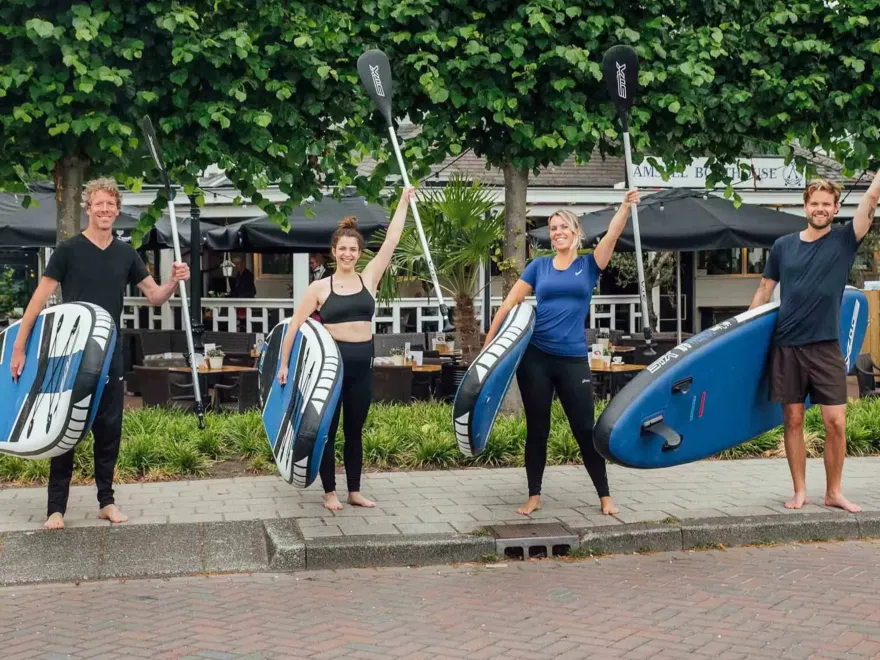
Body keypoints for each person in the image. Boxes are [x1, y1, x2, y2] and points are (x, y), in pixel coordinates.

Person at [10, 177, 190, 530]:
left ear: (117, 210)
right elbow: (39, 297)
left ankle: (106, 501)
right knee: (64, 427)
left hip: (109, 351)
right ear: (88, 208)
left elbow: (154, 296)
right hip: (70, 351)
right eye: (99, 204)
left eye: (111, 205)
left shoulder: (126, 253)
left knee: (109, 427)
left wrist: (173, 281)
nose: (105, 210)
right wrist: (20, 345)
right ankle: (55, 508)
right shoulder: (68, 250)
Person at [484, 188, 641, 516]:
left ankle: (605, 496)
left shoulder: (589, 265)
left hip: (571, 359)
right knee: (537, 428)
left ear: (576, 232)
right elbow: (510, 302)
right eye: (553, 228)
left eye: (563, 227)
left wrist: (625, 207)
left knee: (585, 429)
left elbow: (612, 235)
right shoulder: (538, 267)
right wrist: (490, 339)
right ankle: (534, 496)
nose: (557, 232)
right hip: (536, 358)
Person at [277, 187, 415, 511]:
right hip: (331, 369)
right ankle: (330, 493)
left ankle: (354, 491)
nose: (348, 254)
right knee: (328, 430)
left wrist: (403, 202)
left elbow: (392, 240)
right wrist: (284, 365)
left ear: (359, 252)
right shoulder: (319, 288)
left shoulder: (369, 279)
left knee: (355, 431)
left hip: (362, 367)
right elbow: (295, 326)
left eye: (353, 249)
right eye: (343, 248)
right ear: (334, 251)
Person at [749, 176, 880, 513]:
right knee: (793, 420)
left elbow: (871, 198)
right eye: (814, 203)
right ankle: (799, 491)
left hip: (825, 347)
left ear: (836, 208)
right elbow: (765, 289)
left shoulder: (844, 241)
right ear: (805, 207)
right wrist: (743, 331)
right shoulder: (783, 246)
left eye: (826, 204)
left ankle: (833, 492)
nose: (820, 209)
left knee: (835, 421)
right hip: (787, 345)